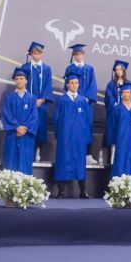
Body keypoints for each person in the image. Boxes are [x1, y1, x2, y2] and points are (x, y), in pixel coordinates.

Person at [53, 71, 92, 199]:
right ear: (67, 84)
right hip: (65, 137)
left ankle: (83, 191)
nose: (74, 85)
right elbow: (56, 119)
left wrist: (86, 137)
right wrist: (59, 134)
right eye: (71, 83)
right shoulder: (62, 100)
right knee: (63, 161)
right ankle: (61, 191)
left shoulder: (83, 101)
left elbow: (87, 121)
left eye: (76, 83)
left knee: (80, 163)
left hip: (79, 138)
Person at [63, 43, 98, 164]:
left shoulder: (89, 68)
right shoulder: (70, 69)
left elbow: (92, 85)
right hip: (74, 103)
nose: (79, 56)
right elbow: (67, 86)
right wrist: (78, 98)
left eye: (80, 54)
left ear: (83, 54)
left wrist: (86, 98)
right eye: (76, 54)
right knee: (73, 127)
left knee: (87, 127)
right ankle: (73, 153)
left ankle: (87, 155)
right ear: (73, 55)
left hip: (86, 104)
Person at [1, 67, 39, 175]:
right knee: (10, 161)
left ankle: (25, 189)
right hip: (12, 134)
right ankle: (9, 189)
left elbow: (34, 117)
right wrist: (17, 127)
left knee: (25, 161)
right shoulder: (9, 98)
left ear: (26, 81)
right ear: (14, 81)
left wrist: (25, 128)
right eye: (17, 78)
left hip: (27, 136)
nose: (19, 80)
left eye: (22, 78)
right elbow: (6, 114)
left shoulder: (32, 98)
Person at [19, 42, 53, 162]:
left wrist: (42, 99)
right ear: (31, 54)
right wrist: (31, 99)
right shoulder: (25, 67)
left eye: (39, 53)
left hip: (41, 104)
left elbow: (48, 85)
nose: (37, 55)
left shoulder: (47, 68)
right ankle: (28, 152)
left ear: (41, 54)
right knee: (29, 127)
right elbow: (22, 84)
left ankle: (38, 152)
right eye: (34, 53)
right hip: (28, 104)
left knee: (40, 128)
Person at [108, 82, 131, 178]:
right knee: (120, 161)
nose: (126, 94)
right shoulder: (116, 109)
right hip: (120, 140)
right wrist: (113, 141)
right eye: (124, 92)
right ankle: (119, 186)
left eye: (128, 92)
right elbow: (112, 126)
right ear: (121, 94)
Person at [103, 59, 129, 164]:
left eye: (120, 69)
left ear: (124, 71)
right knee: (114, 136)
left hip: (124, 114)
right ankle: (113, 157)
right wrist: (115, 105)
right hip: (114, 113)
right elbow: (108, 98)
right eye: (116, 70)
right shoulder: (111, 84)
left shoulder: (128, 83)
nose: (118, 71)